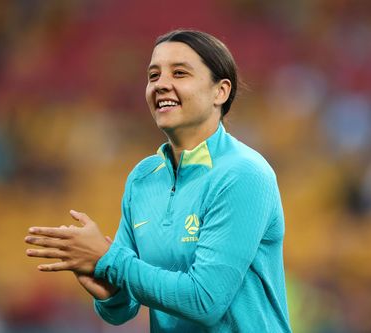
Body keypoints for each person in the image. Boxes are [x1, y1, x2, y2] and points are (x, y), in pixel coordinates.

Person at [25, 29, 292, 332]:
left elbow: (204, 301)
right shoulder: (142, 178)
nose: (161, 84)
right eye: (153, 76)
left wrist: (109, 259)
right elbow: (122, 309)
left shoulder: (243, 174)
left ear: (221, 91)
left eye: (179, 73)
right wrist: (107, 287)